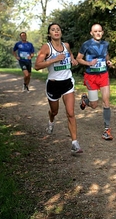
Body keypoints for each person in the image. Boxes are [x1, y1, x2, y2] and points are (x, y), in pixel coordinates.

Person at [34, 23, 83, 154]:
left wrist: (72, 60)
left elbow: (70, 54)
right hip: (53, 84)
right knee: (54, 111)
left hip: (67, 82)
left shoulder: (66, 45)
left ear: (61, 32)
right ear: (49, 33)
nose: (56, 31)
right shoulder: (46, 47)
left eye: (58, 29)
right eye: (53, 30)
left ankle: (75, 143)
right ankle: (51, 119)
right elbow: (37, 66)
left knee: (71, 113)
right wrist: (53, 60)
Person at [76, 23, 113, 140]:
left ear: (102, 32)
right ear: (91, 33)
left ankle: (107, 130)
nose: (98, 33)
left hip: (103, 75)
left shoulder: (105, 44)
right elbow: (78, 58)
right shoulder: (86, 44)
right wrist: (88, 63)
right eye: (95, 31)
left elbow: (106, 55)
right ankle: (85, 100)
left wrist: (108, 62)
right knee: (94, 105)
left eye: (99, 31)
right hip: (91, 77)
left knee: (106, 102)